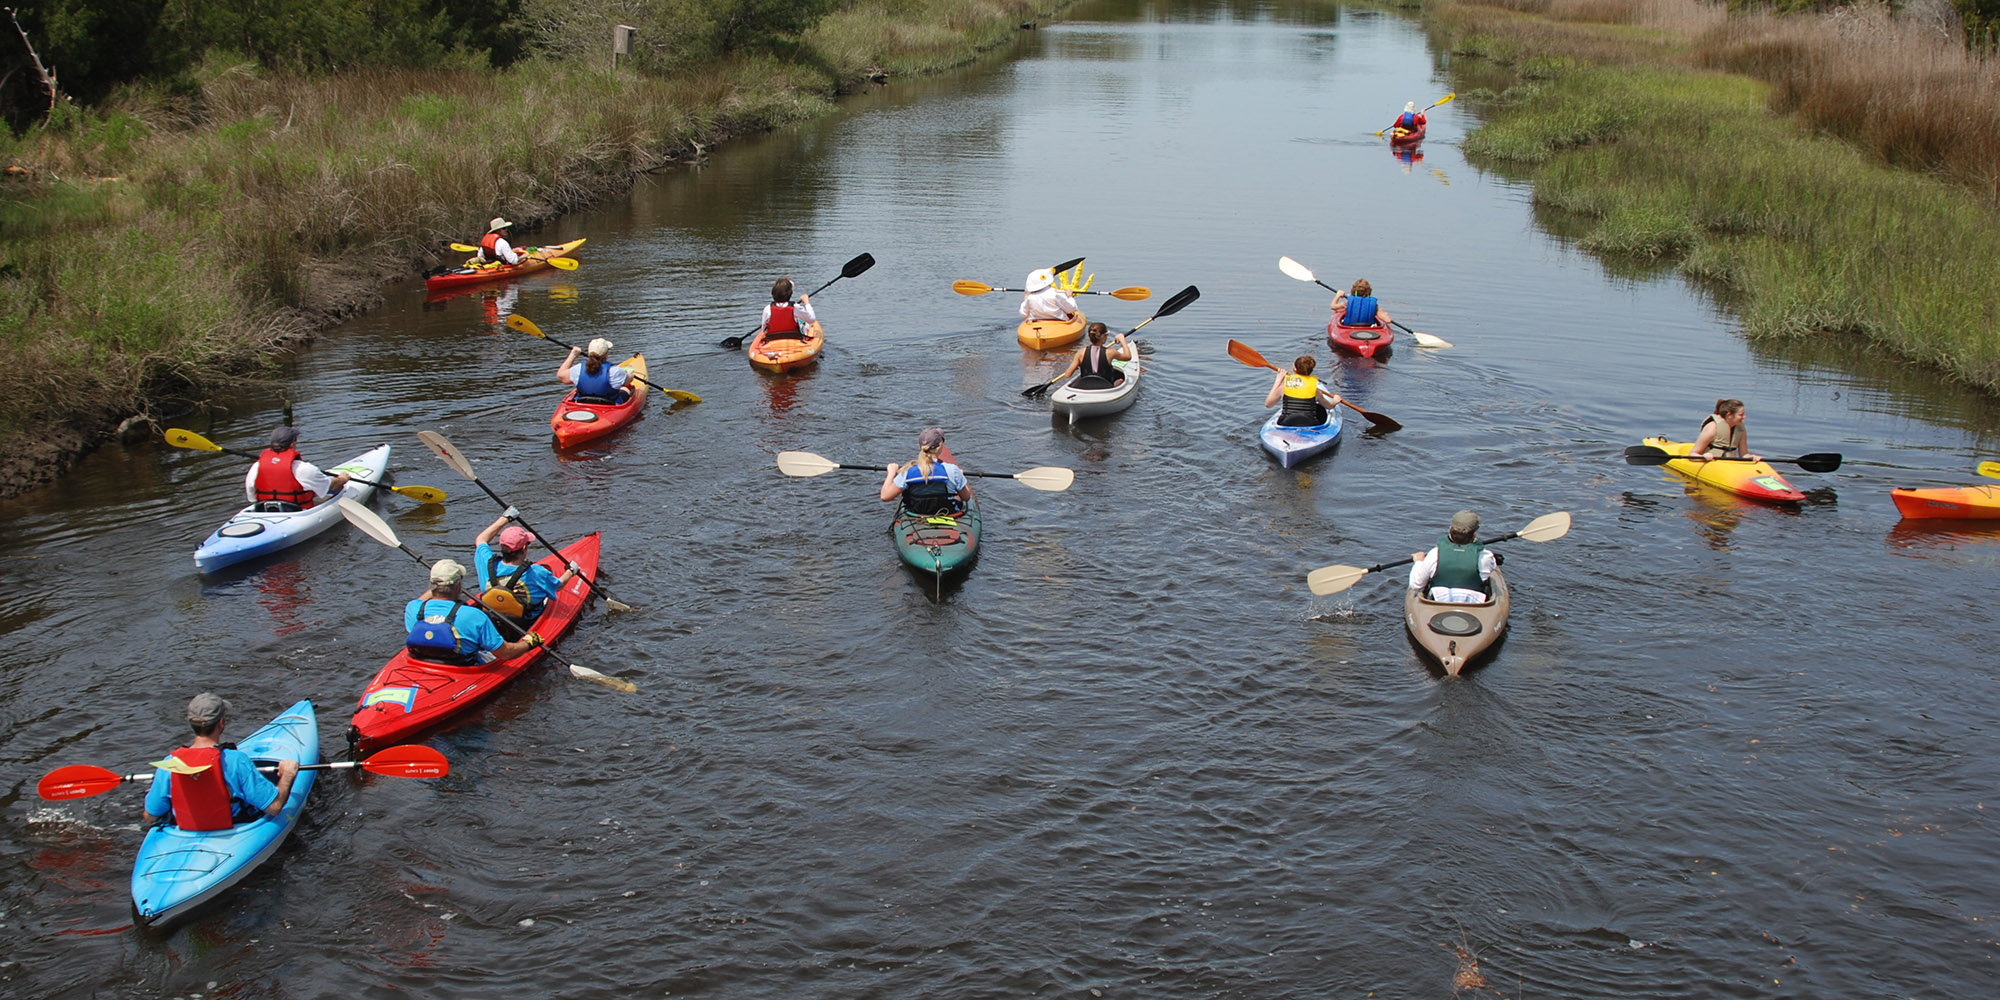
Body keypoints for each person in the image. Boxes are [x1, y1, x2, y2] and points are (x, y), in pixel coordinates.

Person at [141, 693, 299, 832]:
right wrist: (288, 775)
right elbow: (274, 807)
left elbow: (150, 816)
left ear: (191, 724)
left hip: (183, 831)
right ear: (221, 722)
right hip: (234, 829)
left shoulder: (170, 764)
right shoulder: (235, 761)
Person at [405, 558, 545, 665]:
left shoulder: (413, 609)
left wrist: (439, 583)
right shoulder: (474, 616)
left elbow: (421, 600)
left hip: (424, 662)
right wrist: (529, 643)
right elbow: (506, 653)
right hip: (465, 666)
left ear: (432, 585)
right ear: (458, 586)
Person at [473, 509, 579, 626]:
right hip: (525, 623)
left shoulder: (487, 562)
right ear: (524, 548)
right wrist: (571, 571)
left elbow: (481, 539)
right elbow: (559, 586)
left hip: (493, 618)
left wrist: (505, 518)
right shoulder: (536, 573)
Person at [244, 425, 352, 511]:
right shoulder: (304, 469)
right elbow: (330, 487)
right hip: (298, 512)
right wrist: (342, 479)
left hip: (264, 511)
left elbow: (252, 498)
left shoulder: (256, 467)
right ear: (292, 444)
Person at [1409, 510, 1499, 604]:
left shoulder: (1434, 554)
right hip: (1474, 604)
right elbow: (1491, 569)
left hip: (1438, 602)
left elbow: (1416, 585)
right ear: (1475, 533)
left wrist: (1419, 561)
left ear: (1450, 529)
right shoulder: (1485, 556)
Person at [881, 427, 973, 516]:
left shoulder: (908, 471)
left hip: (917, 514)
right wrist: (960, 476)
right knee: (956, 494)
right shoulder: (952, 470)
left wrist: (891, 472)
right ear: (941, 446)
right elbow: (966, 497)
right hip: (947, 513)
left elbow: (885, 496)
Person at [1262, 355, 1343, 427]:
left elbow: (1268, 404)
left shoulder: (1283, 388)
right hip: (1309, 423)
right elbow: (1329, 406)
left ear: (1294, 368)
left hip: (1286, 422)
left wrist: (1278, 380)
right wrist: (1335, 401)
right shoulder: (1315, 390)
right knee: (1319, 408)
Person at [1052, 322, 1133, 388]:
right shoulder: (1111, 352)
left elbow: (1067, 375)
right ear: (1104, 336)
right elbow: (1128, 357)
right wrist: (1122, 340)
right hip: (1105, 387)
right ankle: (1114, 385)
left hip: (1084, 386)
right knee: (1120, 380)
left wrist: (1077, 365)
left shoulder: (1080, 353)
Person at [559, 337, 631, 405]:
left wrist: (573, 355)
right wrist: (630, 374)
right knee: (625, 389)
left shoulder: (578, 368)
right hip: (609, 405)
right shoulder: (614, 371)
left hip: (583, 402)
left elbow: (561, 376)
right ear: (606, 355)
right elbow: (627, 382)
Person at [1690, 398, 1761, 462]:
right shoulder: (1712, 428)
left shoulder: (1740, 429)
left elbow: (1744, 455)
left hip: (1728, 464)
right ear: (1730, 415)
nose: (1744, 417)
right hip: (1710, 462)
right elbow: (1692, 455)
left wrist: (1752, 458)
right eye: (1741, 415)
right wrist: (1703, 457)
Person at [757, 277, 818, 342]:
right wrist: (807, 303)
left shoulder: (767, 308)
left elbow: (764, 328)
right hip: (794, 338)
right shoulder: (795, 307)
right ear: (790, 294)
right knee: (806, 325)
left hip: (772, 339)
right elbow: (812, 319)